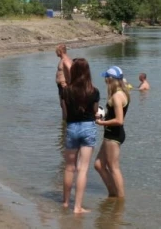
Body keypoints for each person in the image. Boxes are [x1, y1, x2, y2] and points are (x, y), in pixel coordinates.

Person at [61, 58, 100, 213]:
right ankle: (77, 207)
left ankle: (65, 202)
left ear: (73, 72)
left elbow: (64, 114)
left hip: (71, 127)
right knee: (82, 169)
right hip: (88, 127)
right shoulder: (93, 91)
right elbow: (95, 111)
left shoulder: (66, 91)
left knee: (69, 168)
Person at [95, 66, 130, 198]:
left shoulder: (117, 96)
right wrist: (104, 117)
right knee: (99, 164)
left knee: (114, 168)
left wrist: (102, 123)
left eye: (106, 78)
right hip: (110, 133)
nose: (104, 80)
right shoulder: (121, 91)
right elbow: (114, 115)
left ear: (110, 79)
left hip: (114, 135)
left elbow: (120, 120)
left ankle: (120, 199)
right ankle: (113, 194)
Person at [56, 44, 73, 121]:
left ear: (61, 51)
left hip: (64, 87)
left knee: (64, 105)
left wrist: (67, 83)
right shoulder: (63, 60)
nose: (55, 52)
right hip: (61, 86)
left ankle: (65, 125)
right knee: (63, 105)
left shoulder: (65, 60)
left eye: (56, 51)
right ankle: (65, 124)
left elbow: (70, 70)